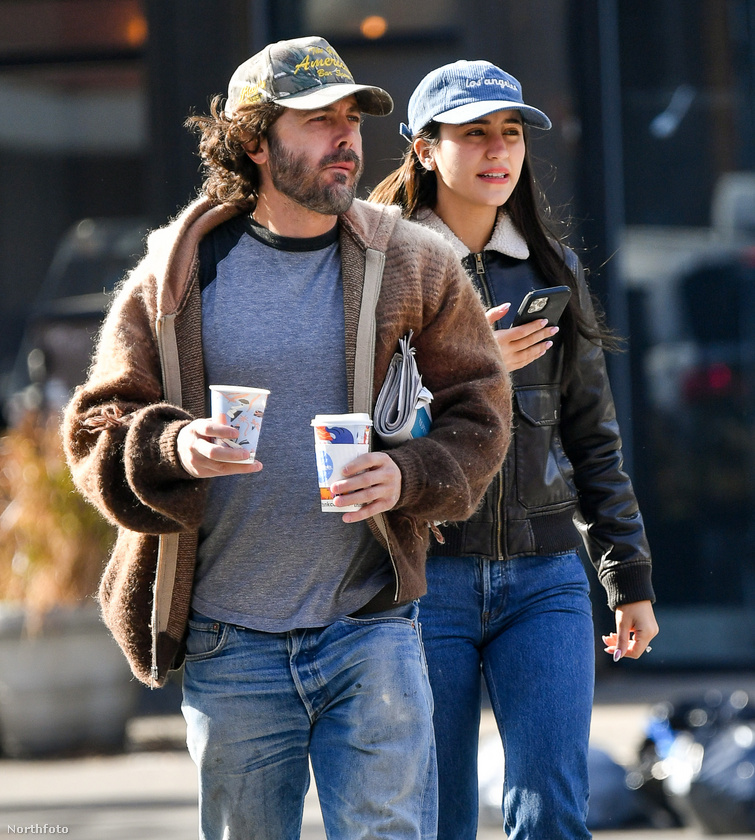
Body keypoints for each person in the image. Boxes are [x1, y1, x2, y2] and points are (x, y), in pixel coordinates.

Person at [62, 38, 512, 840]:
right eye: (317, 121)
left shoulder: (412, 260)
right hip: (228, 641)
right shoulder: (176, 273)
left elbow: (479, 411)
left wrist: (410, 475)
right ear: (253, 142)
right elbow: (97, 427)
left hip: (369, 627)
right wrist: (173, 448)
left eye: (351, 119)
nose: (345, 138)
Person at [370, 59, 659, 839]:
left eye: (509, 133)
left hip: (544, 581)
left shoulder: (547, 271)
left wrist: (626, 576)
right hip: (425, 580)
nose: (498, 151)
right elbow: (350, 423)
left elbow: (591, 437)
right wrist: (468, 365)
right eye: (474, 134)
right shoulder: (375, 269)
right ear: (424, 150)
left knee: (553, 814)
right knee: (439, 817)